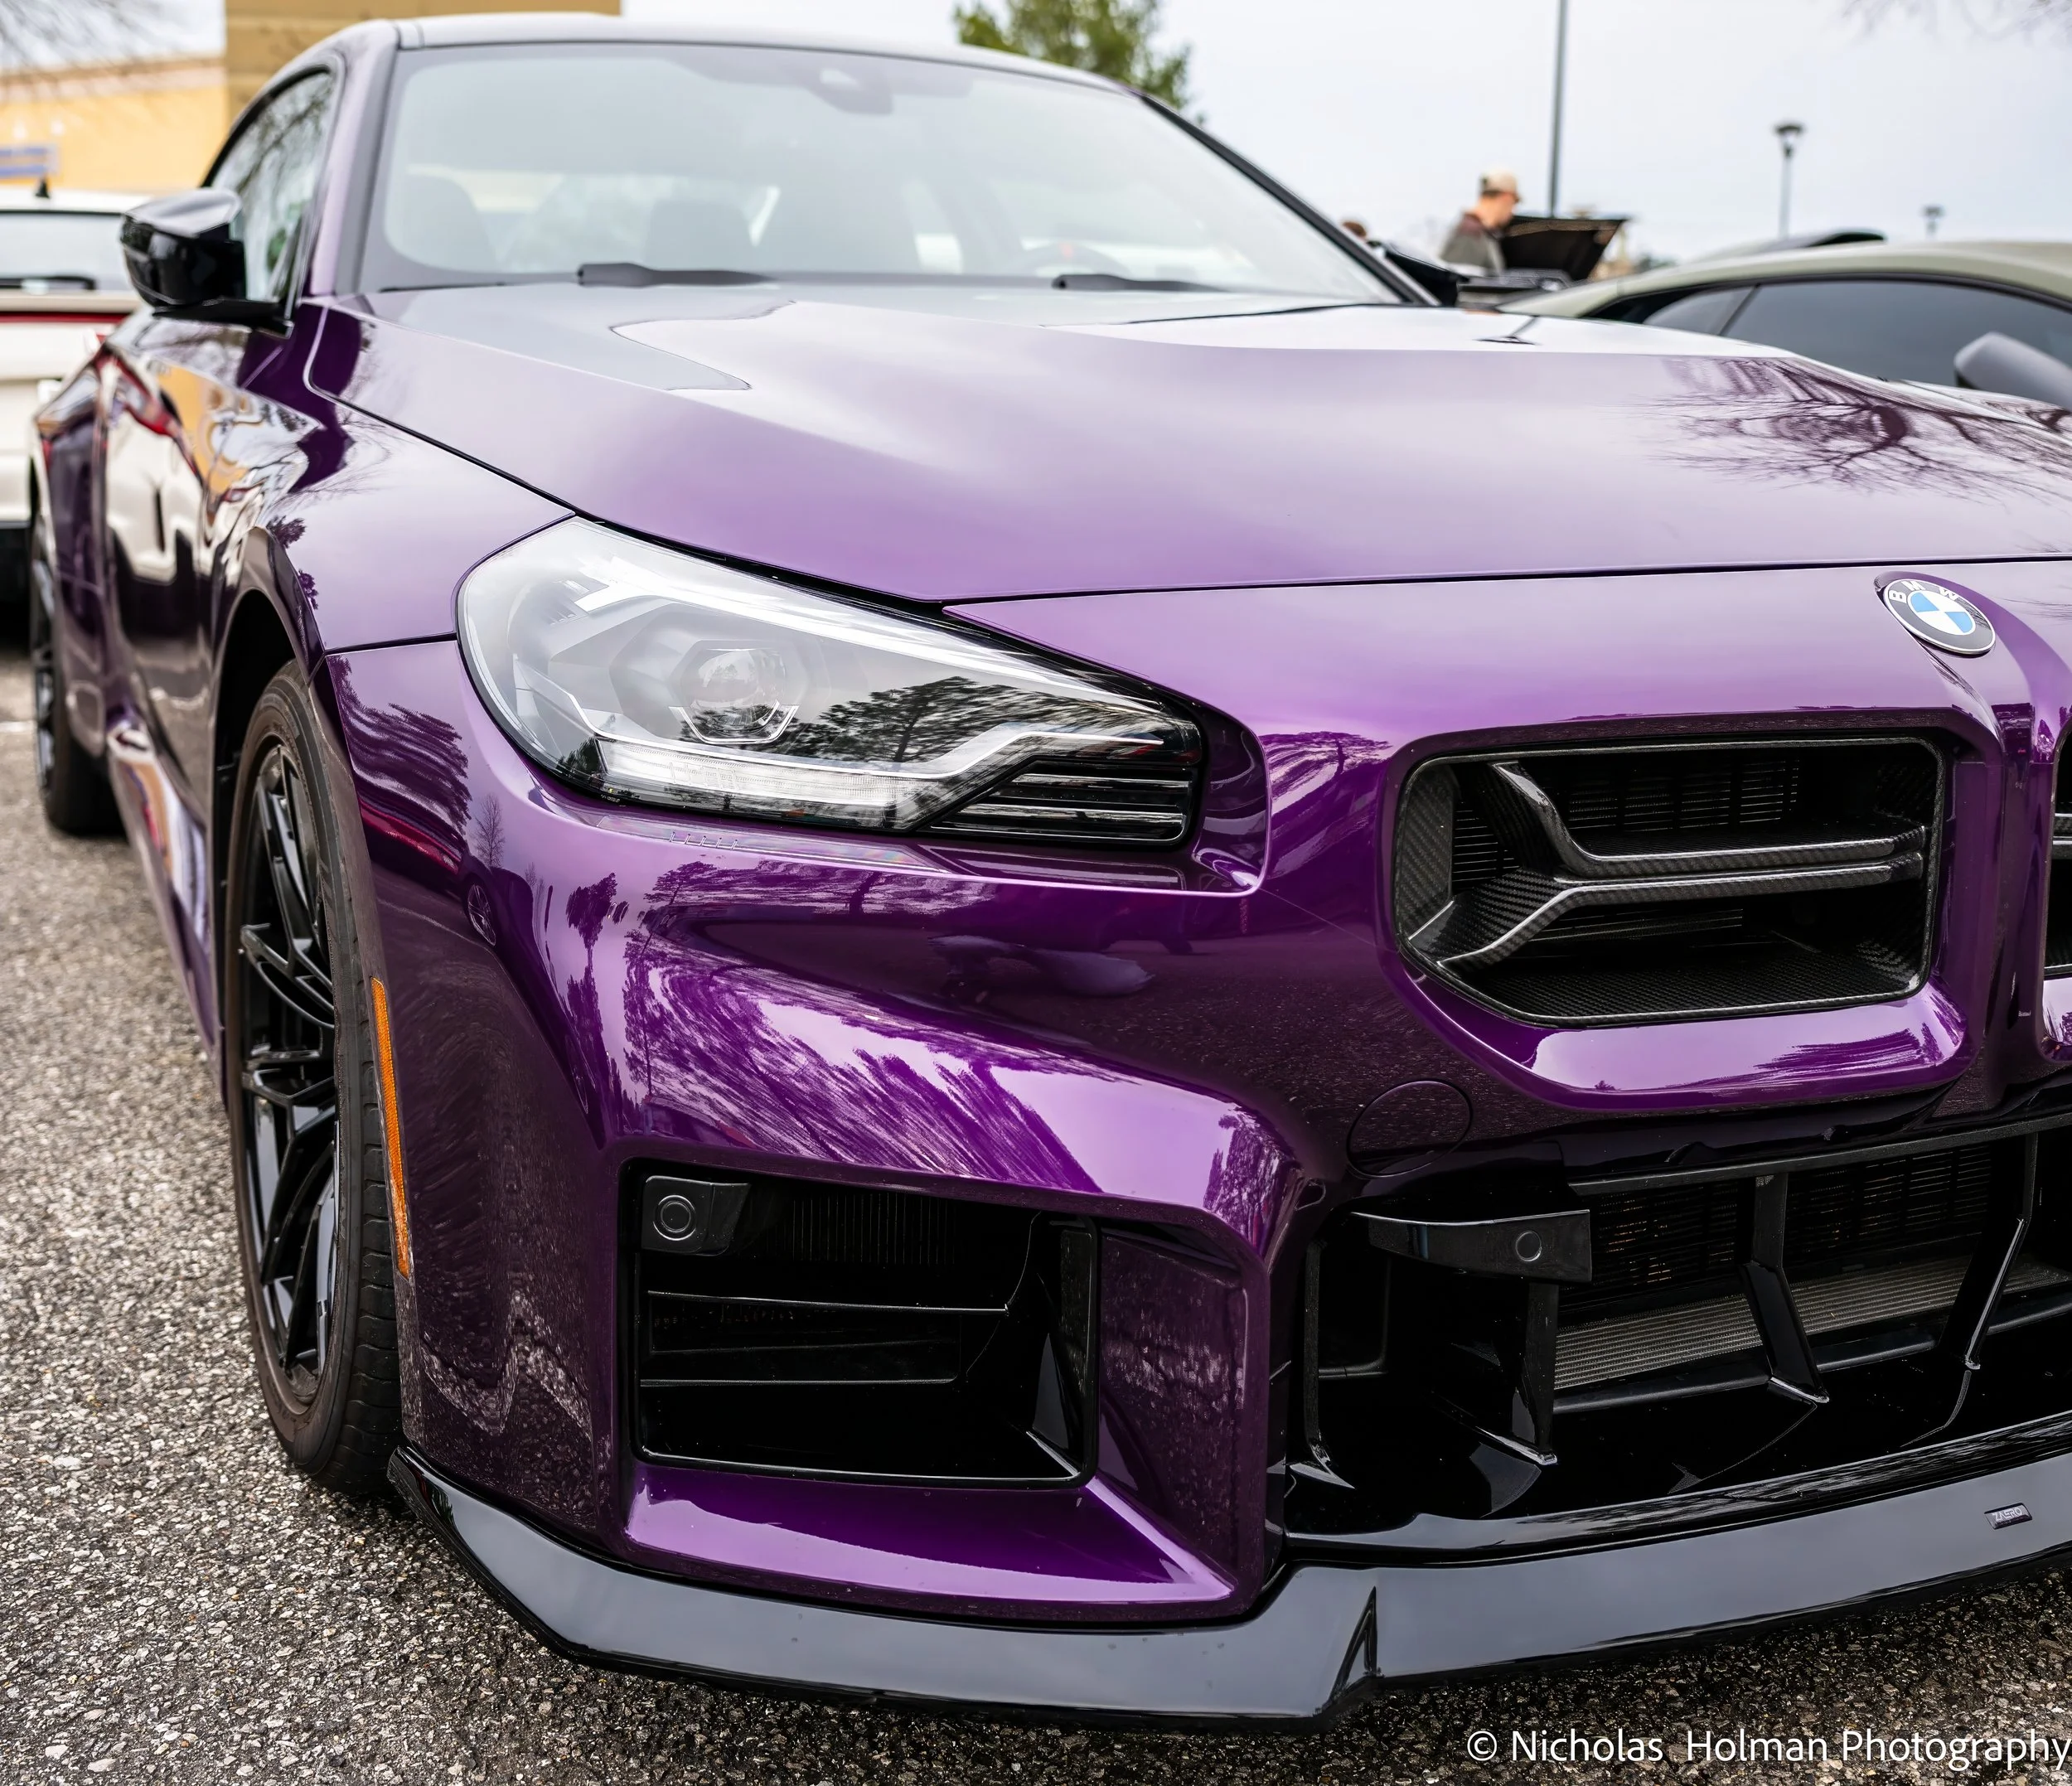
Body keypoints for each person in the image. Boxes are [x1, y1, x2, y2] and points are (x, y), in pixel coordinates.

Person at [1440, 169, 1520, 273]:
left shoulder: (1479, 232)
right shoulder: (1471, 232)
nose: (1512, 212)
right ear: (1506, 198)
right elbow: (1456, 279)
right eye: (1514, 203)